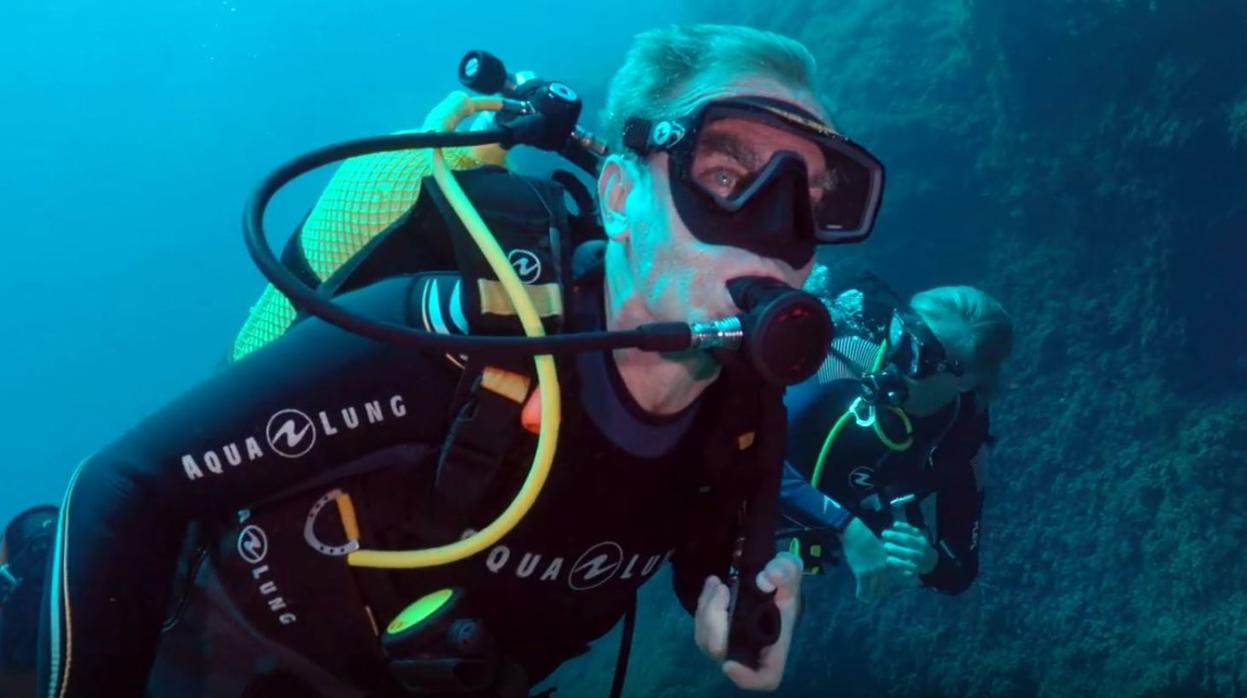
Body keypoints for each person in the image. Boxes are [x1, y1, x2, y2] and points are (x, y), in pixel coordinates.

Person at [33, 24, 887, 698]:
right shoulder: (453, 345)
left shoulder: (738, 417)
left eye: (814, 199)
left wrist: (732, 606)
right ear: (620, 194)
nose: (783, 235)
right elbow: (126, 486)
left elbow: (704, 542)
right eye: (728, 173)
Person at [778, 266, 1013, 602]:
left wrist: (928, 561)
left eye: (915, 353)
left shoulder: (961, 433)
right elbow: (749, 454)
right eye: (900, 329)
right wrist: (848, 528)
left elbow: (960, 572)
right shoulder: (845, 359)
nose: (893, 353)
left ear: (963, 380)